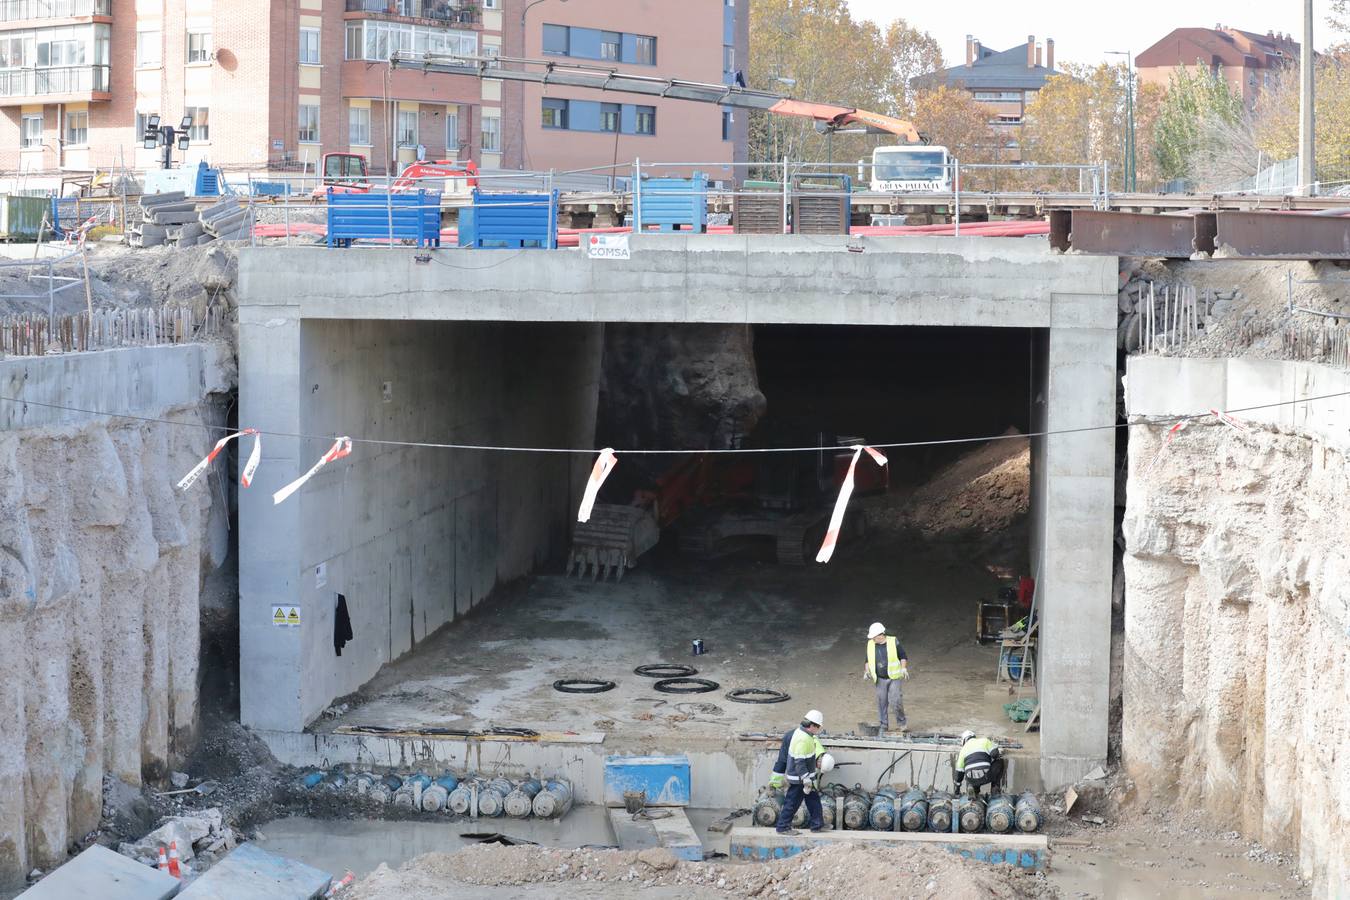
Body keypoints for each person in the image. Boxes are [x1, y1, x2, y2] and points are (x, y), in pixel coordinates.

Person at [773, 709, 830, 835]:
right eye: (818, 727)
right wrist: (805, 779)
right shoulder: (802, 739)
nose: (818, 730)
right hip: (799, 779)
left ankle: (817, 825)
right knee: (792, 802)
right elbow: (799, 762)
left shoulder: (805, 735)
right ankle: (782, 827)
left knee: (813, 800)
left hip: (806, 777)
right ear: (812, 725)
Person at [863, 622, 909, 731]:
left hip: (894, 677)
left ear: (880, 635)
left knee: (896, 700)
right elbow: (867, 660)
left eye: (874, 637)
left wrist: (903, 668)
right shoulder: (870, 644)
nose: (873, 639)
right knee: (881, 702)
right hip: (880, 679)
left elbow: (903, 656)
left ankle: (902, 723)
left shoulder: (893, 641)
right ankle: (883, 725)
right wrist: (866, 671)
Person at [954, 730, 1005, 797]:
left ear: (964, 741)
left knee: (972, 772)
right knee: (999, 761)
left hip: (971, 779)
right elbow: (995, 754)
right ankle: (995, 789)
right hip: (986, 776)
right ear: (974, 737)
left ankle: (974, 790)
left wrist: (957, 790)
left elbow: (959, 773)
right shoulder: (984, 741)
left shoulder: (962, 751)